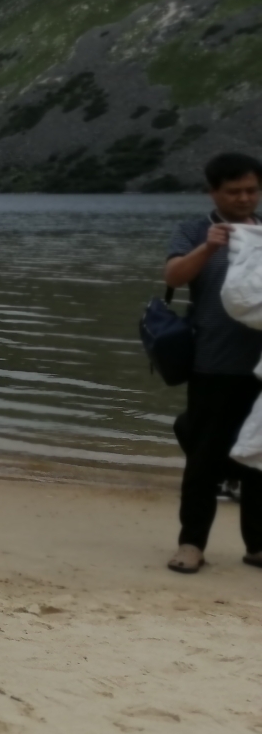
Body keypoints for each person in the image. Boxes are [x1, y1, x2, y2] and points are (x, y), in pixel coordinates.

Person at [164, 152, 262, 573]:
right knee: (203, 461)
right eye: (234, 191)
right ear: (213, 191)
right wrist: (209, 246)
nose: (244, 198)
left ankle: (258, 546)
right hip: (214, 365)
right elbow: (173, 277)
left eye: (252, 190)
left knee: (260, 460)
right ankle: (191, 545)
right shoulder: (194, 230)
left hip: (260, 368)